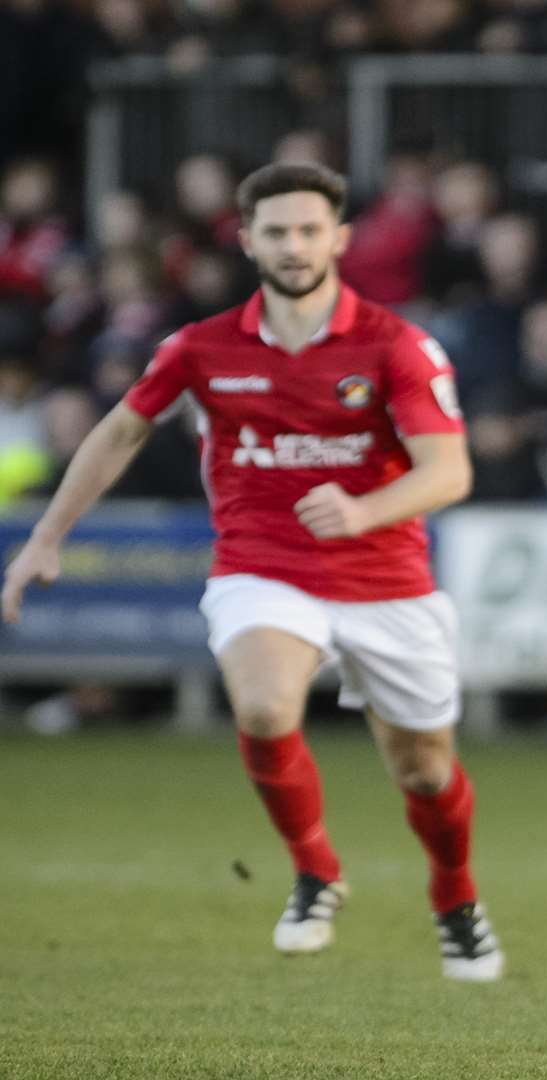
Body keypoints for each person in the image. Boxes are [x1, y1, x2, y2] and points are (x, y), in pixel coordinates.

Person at [0, 162, 503, 982]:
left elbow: (448, 472)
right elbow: (121, 431)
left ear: (338, 238)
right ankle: (315, 873)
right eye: (277, 231)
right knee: (267, 709)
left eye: (310, 230)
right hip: (260, 565)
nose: (295, 245)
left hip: (387, 578)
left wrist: (363, 510)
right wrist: (48, 535)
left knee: (426, 771)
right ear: (247, 240)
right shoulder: (201, 347)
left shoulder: (397, 346)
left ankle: (456, 897)